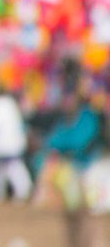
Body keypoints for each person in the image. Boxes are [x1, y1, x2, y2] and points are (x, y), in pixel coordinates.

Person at [37, 93, 103, 247]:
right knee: (71, 216)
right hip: (70, 173)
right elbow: (54, 139)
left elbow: (78, 141)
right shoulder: (66, 119)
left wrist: (59, 147)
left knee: (88, 217)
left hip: (88, 171)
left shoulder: (87, 118)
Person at [0, 86, 32, 203]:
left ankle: (18, 191)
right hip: (15, 143)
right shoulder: (11, 104)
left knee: (9, 168)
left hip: (1, 144)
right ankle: (4, 193)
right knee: (6, 168)